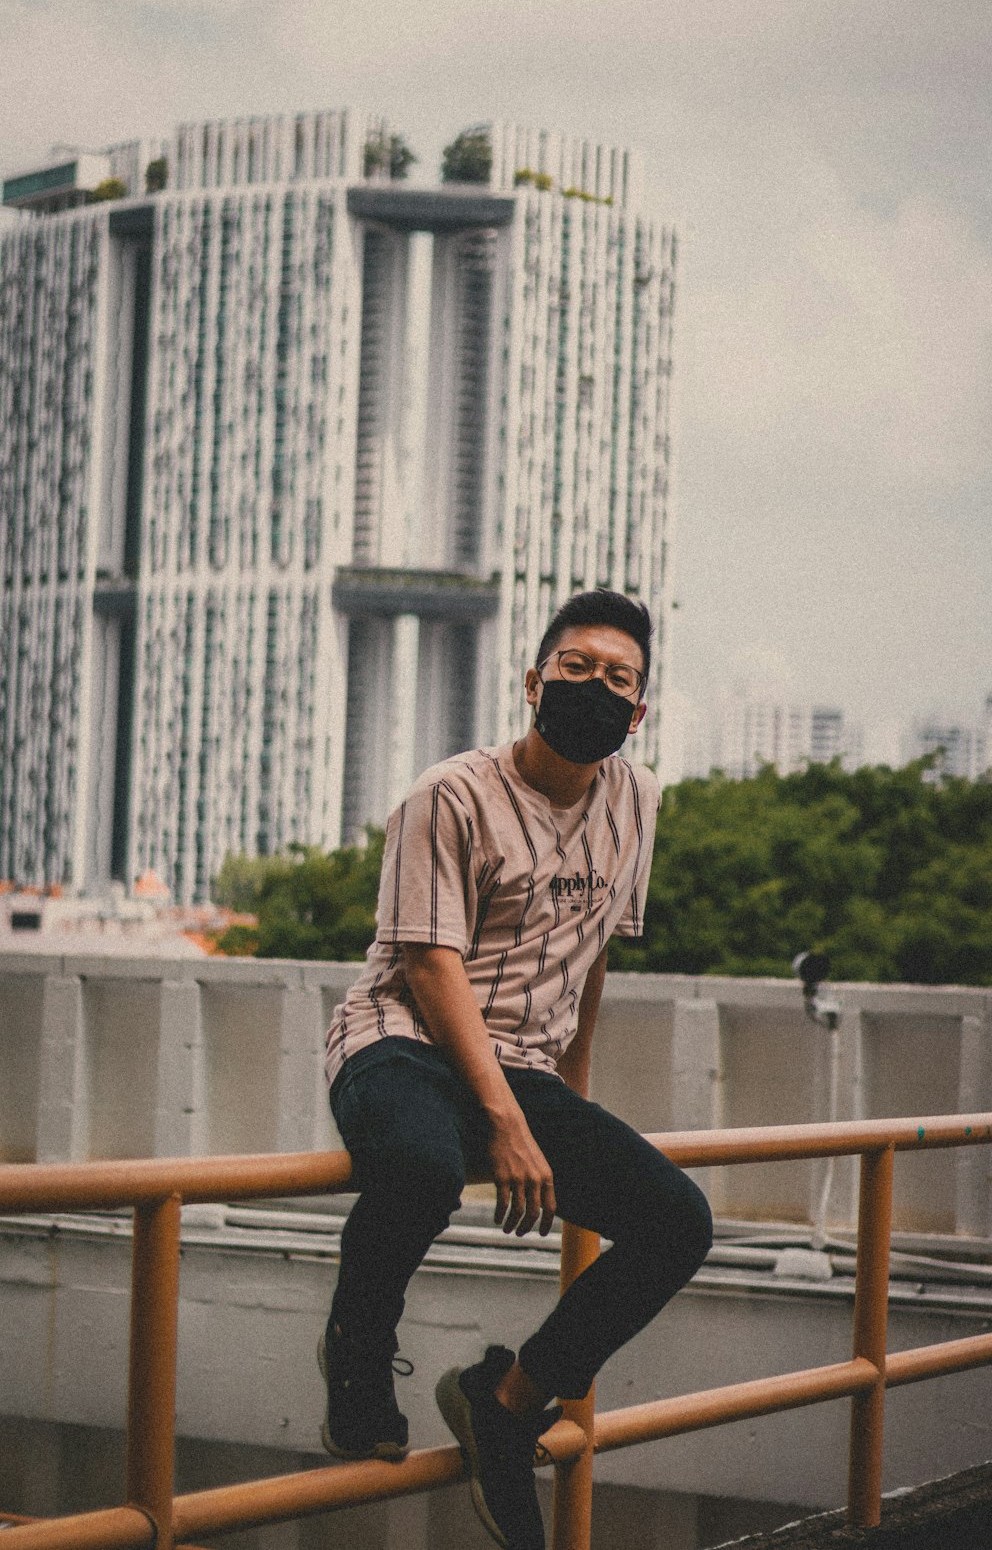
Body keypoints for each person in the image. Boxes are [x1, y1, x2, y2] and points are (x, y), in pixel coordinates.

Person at [321, 589, 713, 1550]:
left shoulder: (639, 798)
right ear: (534, 680)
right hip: (400, 1040)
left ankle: (507, 1400)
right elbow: (428, 959)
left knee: (678, 1222)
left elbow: (595, 954)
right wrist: (503, 1120)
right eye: (576, 668)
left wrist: (564, 1105)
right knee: (418, 1168)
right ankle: (359, 1354)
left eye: (619, 678)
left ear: (641, 706)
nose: (595, 688)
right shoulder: (449, 795)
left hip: (527, 1065)